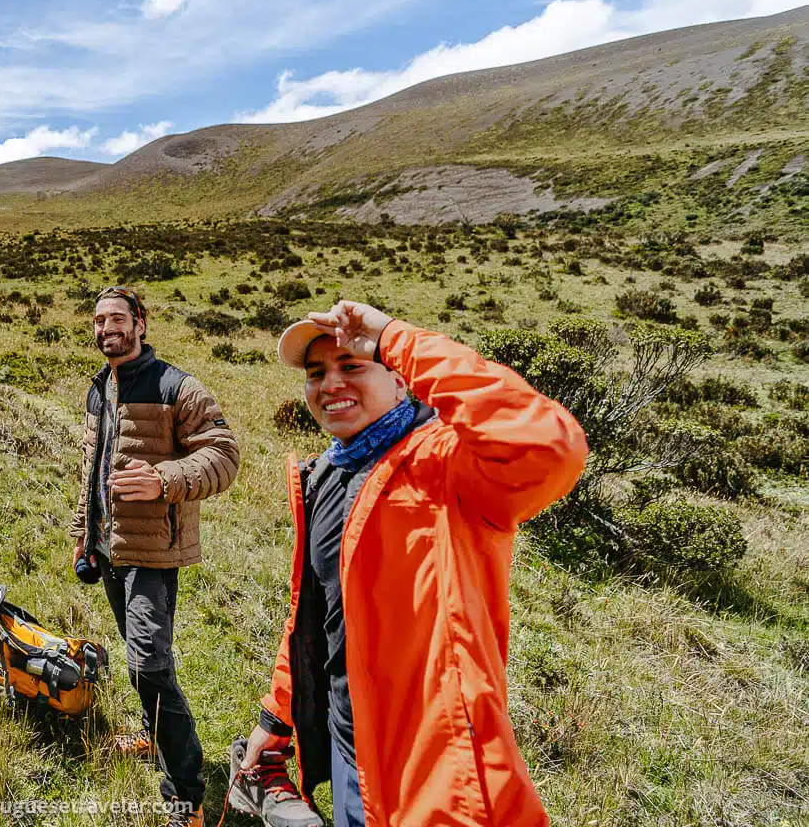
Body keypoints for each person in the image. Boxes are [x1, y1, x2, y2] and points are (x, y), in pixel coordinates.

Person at [237, 300, 588, 827]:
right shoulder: (324, 477)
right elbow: (315, 617)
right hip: (349, 749)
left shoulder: (450, 464)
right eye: (316, 373)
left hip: (435, 771)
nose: (330, 383)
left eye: (352, 365)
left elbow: (548, 445)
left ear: (401, 381)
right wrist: (278, 716)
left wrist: (394, 337)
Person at [70, 286, 240, 827]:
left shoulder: (175, 386)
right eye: (99, 321)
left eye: (117, 319)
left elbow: (225, 453)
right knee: (139, 657)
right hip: (111, 547)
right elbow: (93, 469)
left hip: (154, 553)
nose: (106, 329)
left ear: (141, 323)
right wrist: (83, 532)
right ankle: (151, 734)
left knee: (147, 666)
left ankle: (186, 797)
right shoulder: (100, 387)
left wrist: (163, 480)